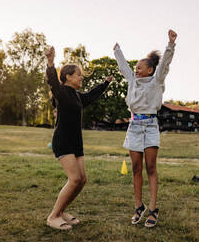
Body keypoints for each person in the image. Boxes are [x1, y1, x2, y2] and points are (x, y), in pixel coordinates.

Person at [113, 29, 177, 227]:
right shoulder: (132, 81)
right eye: (136, 67)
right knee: (135, 168)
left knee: (150, 167)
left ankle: (153, 209)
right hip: (134, 126)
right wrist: (117, 51)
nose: (136, 70)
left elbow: (165, 64)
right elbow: (123, 68)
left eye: (140, 67)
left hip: (150, 125)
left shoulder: (156, 81)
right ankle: (138, 206)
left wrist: (171, 44)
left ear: (150, 70)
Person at [45, 46, 112, 230]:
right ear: (68, 77)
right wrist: (51, 62)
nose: (81, 77)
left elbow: (91, 95)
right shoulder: (61, 92)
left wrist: (105, 83)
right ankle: (53, 216)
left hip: (76, 143)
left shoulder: (77, 95)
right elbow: (52, 80)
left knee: (82, 180)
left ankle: (62, 211)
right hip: (63, 142)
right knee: (74, 179)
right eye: (78, 75)